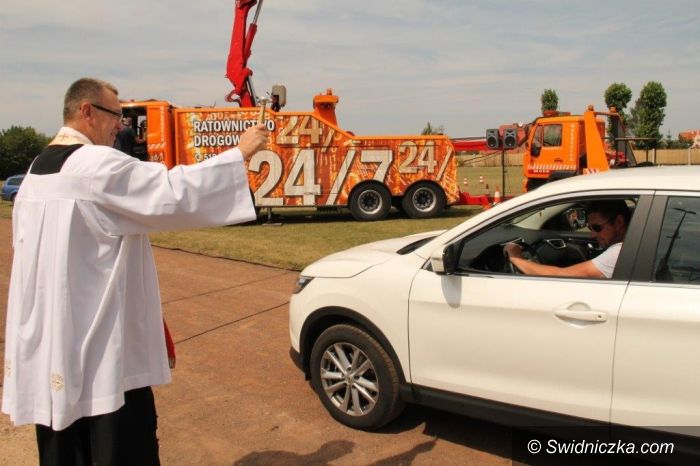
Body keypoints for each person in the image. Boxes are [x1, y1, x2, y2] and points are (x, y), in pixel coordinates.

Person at [1, 77, 268, 465]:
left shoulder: (35, 173)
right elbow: (172, 192)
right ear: (87, 111)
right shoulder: (95, 165)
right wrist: (238, 153)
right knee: (117, 447)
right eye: (116, 114)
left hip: (53, 341)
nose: (121, 125)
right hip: (101, 347)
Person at [504, 199, 630, 278]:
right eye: (590, 228)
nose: (592, 235)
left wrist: (516, 258)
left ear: (618, 222)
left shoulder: (619, 253)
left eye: (597, 228)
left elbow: (563, 275)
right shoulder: (630, 247)